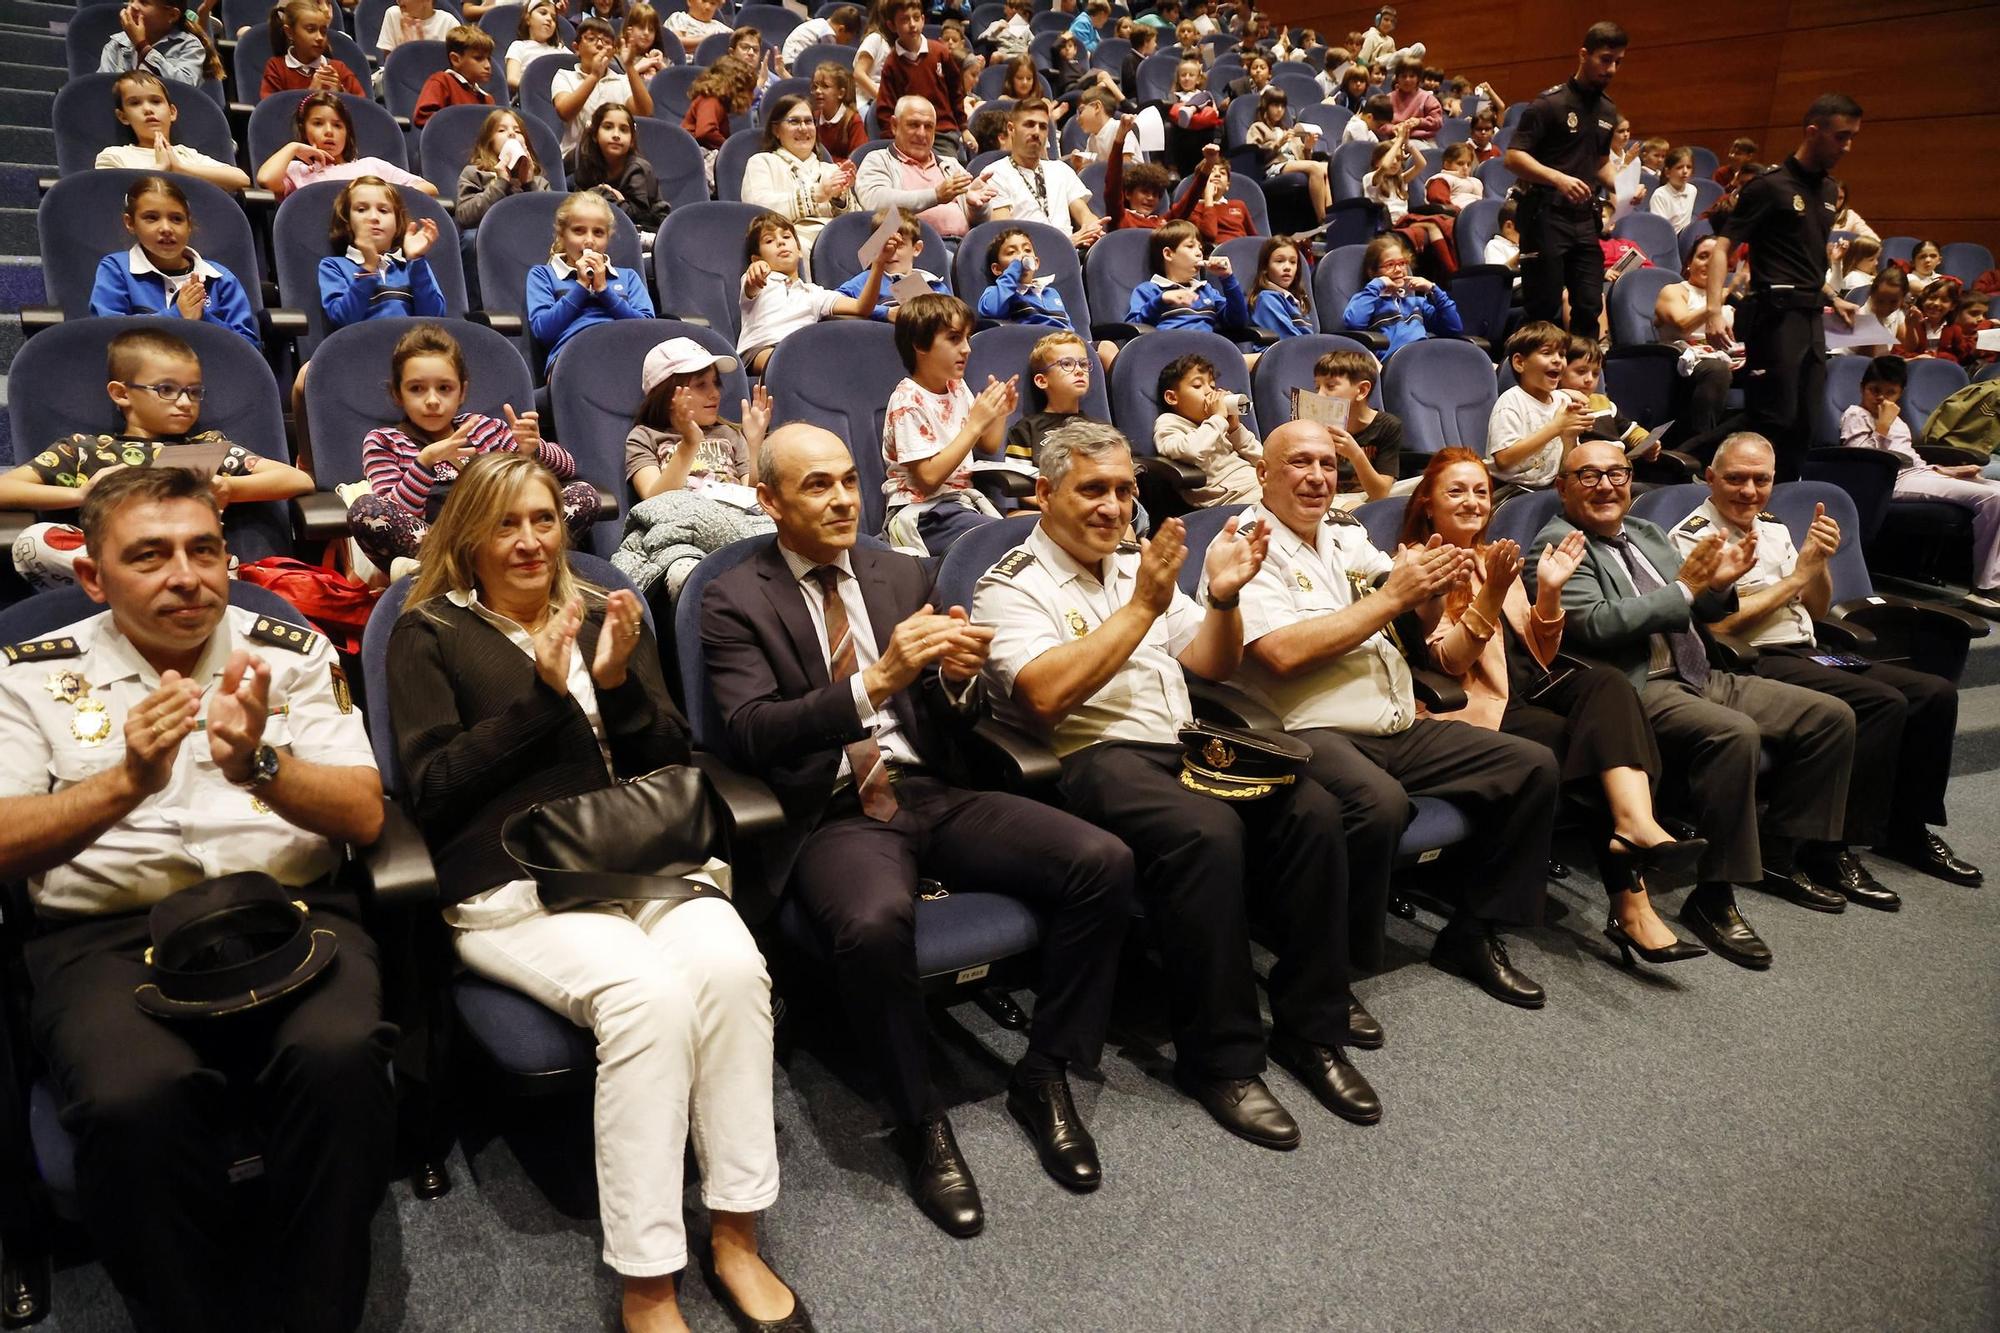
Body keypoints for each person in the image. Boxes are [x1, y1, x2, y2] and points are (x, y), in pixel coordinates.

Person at [389, 454, 801, 1333]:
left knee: (731, 969)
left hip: (640, 853)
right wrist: (540, 701)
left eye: (544, 518)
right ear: (468, 538)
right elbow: (429, 787)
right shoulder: (426, 631)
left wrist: (612, 684)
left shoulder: (606, 609)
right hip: (514, 882)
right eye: (506, 523)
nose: (532, 539)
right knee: (646, 998)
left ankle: (736, 1232)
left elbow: (669, 757)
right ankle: (648, 1279)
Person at [702, 422, 1135, 1235]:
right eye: (815, 486)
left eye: (847, 481)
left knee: (1101, 861)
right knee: (872, 923)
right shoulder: (732, 594)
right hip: (832, 808)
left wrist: (959, 684)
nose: (840, 499)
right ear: (769, 500)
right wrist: (876, 679)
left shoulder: (902, 571)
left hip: (930, 785)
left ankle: (1045, 1071)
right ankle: (919, 1118)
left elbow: (944, 710)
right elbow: (753, 731)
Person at [0, 465, 390, 1331]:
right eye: (151, 555)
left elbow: (364, 813)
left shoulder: (289, 653)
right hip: (107, 935)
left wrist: (260, 763)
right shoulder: (27, 673)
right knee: (135, 1097)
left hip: (288, 913)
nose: (187, 574)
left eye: (204, 549)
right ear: (94, 576)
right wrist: (126, 783)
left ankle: (322, 1307)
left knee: (342, 1055)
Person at [973, 421, 1376, 1149]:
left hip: (1180, 747)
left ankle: (1311, 1028)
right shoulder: (1011, 584)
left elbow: (1211, 663)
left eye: (1125, 489)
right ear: (1044, 493)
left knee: (1312, 809)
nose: (1114, 505)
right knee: (1205, 830)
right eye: (1092, 489)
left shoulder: (1136, 567)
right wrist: (1143, 608)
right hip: (1084, 759)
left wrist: (1221, 598)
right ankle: (1220, 1060)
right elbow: (1042, 696)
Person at [1229, 421, 1559, 1000]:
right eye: (1299, 463)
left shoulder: (1345, 533)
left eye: (1329, 465)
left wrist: (1430, 587)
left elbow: (1411, 612)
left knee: (1531, 766)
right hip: (1310, 726)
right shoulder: (1246, 544)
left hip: (1394, 718)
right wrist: (1391, 597)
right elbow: (1280, 654)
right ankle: (1326, 971)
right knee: (1379, 806)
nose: (1318, 477)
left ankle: (1473, 932)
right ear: (1263, 473)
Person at [1530, 440, 1859, 967]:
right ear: (1561, 487)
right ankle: (1714, 896)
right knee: (1733, 734)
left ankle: (1784, 854)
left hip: (1700, 670)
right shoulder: (1553, 545)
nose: (1606, 486)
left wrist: (1718, 587)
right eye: (1588, 477)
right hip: (1640, 688)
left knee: (1829, 717)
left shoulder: (1646, 532)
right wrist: (1686, 590)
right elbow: (1596, 625)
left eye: (1616, 474)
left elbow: (1698, 604)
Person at [1403, 449, 1709, 965]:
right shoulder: (1417, 563)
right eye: (1456, 491)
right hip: (1478, 703)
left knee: (1611, 687)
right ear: (1427, 504)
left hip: (1528, 685)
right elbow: (1449, 664)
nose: (1472, 501)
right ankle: (1629, 901)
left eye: (1480, 491)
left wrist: (1546, 594)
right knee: (1591, 755)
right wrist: (1491, 593)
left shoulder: (1489, 554)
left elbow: (1540, 649)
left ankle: (1635, 823)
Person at [1668, 432, 1981, 897]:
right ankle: (1828, 847)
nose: (1748, 491)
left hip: (1808, 647)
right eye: (1735, 479)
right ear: (1710, 478)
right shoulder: (1694, 538)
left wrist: (1819, 563)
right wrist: (1794, 578)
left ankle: (1906, 827)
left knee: (1934, 693)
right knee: (1881, 703)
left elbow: (1815, 609)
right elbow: (1720, 627)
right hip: (1754, 661)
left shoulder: (1772, 526)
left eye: (1761, 480)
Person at [0, 329, 313, 587]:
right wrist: (81, 494)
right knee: (33, 542)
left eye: (194, 392)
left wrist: (229, 489)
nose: (184, 402)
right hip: (113, 558)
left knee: (210, 556)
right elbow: (6, 488)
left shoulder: (206, 447)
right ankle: (138, 579)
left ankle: (161, 579)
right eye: (167, 389)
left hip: (191, 559)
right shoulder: (85, 450)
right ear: (121, 393)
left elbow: (297, 479)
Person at [347, 323, 596, 571]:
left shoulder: (485, 429)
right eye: (416, 389)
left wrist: (533, 449)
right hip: (436, 543)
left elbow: (568, 468)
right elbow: (393, 512)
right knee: (366, 511)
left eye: (444, 388)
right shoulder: (384, 441)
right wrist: (424, 463)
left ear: (461, 391)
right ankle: (467, 569)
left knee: (584, 495)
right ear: (398, 394)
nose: (432, 401)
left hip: (504, 535)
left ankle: (458, 569)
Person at [1707, 93, 1863, 480]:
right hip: (1774, 317)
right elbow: (1723, 246)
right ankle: (1710, 473)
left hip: (1812, 317)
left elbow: (1804, 257)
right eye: (1841, 137)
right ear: (1813, 132)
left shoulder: (1829, 192)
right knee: (1773, 418)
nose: (1848, 146)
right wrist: (1713, 309)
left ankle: (1783, 512)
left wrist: (1832, 297)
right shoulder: (1769, 186)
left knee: (1805, 422)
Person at [1840, 355, 2000, 606]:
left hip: (1917, 475)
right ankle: (1986, 588)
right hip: (1889, 482)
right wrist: (1882, 427)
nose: (1881, 398)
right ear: (1862, 388)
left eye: (1890, 392)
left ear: (1900, 393)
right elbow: (1864, 460)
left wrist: (1947, 472)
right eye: (1875, 390)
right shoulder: (1855, 414)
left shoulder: (1899, 423)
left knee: (1997, 488)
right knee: (1993, 497)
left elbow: (1912, 459)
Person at [1504, 21, 1627, 335]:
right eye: (1605, 59)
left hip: (1584, 220)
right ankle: (1526, 376)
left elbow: (1599, 163)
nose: (1611, 69)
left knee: (1588, 304)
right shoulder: (1550, 103)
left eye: (1618, 62)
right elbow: (1513, 157)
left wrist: (1623, 186)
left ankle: (1580, 380)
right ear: (1584, 55)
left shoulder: (1608, 110)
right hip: (1545, 214)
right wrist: (1557, 178)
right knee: (1543, 307)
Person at [880, 294, 1014, 552]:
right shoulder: (907, 400)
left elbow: (988, 444)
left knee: (1020, 540)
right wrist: (975, 424)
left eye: (966, 338)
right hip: (921, 514)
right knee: (1000, 543)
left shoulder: (956, 386)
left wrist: (999, 414)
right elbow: (927, 480)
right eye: (954, 339)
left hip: (959, 506)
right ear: (920, 344)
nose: (966, 348)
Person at [89, 175, 257, 347]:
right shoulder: (116, 269)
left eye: (176, 219)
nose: (166, 229)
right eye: (151, 218)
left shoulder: (220, 278)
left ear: (189, 225)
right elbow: (108, 336)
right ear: (130, 223)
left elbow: (249, 348)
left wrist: (203, 318)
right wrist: (177, 314)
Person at [736, 210, 897, 372]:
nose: (780, 242)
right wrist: (756, 269)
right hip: (760, 350)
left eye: (786, 237)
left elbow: (862, 308)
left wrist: (878, 264)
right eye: (769, 240)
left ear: (799, 251)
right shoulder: (758, 280)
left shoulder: (814, 293)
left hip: (801, 349)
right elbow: (752, 285)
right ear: (757, 259)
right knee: (785, 363)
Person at [526, 190, 654, 374]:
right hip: (571, 362)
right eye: (578, 231)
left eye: (598, 233)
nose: (589, 241)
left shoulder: (628, 277)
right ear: (562, 234)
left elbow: (647, 330)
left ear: (607, 238)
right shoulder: (543, 275)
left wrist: (604, 291)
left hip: (626, 358)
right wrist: (581, 287)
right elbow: (543, 331)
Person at [624, 337, 771, 499]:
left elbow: (752, 497)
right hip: (678, 519)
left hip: (733, 518)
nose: (715, 393)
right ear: (668, 395)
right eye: (701, 385)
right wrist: (690, 443)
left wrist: (754, 445)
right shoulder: (644, 437)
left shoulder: (729, 434)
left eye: (715, 383)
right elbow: (652, 501)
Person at [855, 95, 996, 245]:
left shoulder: (950, 165)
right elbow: (876, 202)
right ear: (894, 126)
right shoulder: (878, 159)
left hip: (961, 248)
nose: (922, 133)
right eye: (913, 125)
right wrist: (935, 196)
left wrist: (975, 207)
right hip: (908, 249)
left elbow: (980, 222)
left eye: (928, 127)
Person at [741, 93, 858, 273]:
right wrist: (815, 195)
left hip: (841, 240)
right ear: (776, 130)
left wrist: (839, 200)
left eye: (809, 121)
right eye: (794, 122)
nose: (804, 128)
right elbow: (757, 209)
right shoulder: (762, 162)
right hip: (796, 242)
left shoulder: (831, 170)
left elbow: (856, 221)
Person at [1653, 234, 1746, 457]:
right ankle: (1698, 454)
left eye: (1716, 259)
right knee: (1716, 370)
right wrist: (1719, 298)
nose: (1709, 264)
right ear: (1689, 263)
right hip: (1682, 362)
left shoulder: (1731, 297)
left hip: (1725, 358)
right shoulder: (1674, 291)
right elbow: (1683, 324)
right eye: (1703, 257)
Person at [318, 176, 448, 330]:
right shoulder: (333, 266)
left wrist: (416, 260)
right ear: (347, 223)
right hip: (364, 349)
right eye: (361, 209)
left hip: (413, 350)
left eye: (383, 210)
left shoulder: (414, 265)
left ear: (397, 224)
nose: (373, 217)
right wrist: (368, 268)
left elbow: (434, 320)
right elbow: (343, 320)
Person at [255, 92, 437, 197]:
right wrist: (293, 147)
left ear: (347, 133)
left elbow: (429, 189)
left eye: (337, 125)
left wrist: (377, 196)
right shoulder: (298, 171)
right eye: (318, 123)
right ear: (304, 130)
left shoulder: (371, 166)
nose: (329, 131)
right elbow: (266, 179)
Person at [94, 71, 251, 192]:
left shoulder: (186, 155)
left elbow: (241, 178)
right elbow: (110, 194)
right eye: (135, 103)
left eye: (156, 101)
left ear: (172, 112)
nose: (148, 109)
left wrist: (180, 168)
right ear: (123, 116)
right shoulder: (113, 156)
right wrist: (160, 168)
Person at [1487, 319, 1594, 490]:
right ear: (1520, 363)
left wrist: (1569, 438)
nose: (1558, 360)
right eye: (1547, 353)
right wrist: (1556, 427)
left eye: (1562, 354)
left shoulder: (1563, 402)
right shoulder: (1511, 401)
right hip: (1510, 488)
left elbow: (1566, 465)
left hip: (1549, 485)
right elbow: (1503, 460)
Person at [985, 99, 1105, 250]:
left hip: (1072, 255)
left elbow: (1084, 214)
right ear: (1011, 129)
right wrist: (1066, 243)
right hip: (1028, 260)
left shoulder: (1061, 169)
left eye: (1042, 127)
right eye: (1029, 124)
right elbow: (1004, 237)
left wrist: (1092, 227)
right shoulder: (995, 173)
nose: (1036, 132)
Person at [1152, 351, 1258, 506]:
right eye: (1197, 385)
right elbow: (1191, 451)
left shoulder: (1217, 425)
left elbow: (1265, 460)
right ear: (1172, 397)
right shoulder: (1169, 422)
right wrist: (1218, 418)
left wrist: (1235, 429)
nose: (1210, 391)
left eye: (1212, 386)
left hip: (1259, 484)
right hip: (1236, 498)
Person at [1342, 233, 1463, 361]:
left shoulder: (1417, 303)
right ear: (1372, 272)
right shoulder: (1367, 300)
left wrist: (1434, 289)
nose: (1399, 269)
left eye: (1402, 263)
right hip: (1396, 363)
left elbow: (1453, 328)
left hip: (1426, 357)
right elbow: (1354, 323)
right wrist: (1377, 285)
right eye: (1390, 265)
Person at [552, 16, 656, 155]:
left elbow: (645, 111)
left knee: (642, 168)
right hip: (577, 154)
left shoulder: (622, 80)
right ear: (577, 48)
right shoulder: (565, 76)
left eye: (606, 42)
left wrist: (630, 66)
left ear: (613, 51)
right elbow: (565, 112)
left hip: (616, 155)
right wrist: (594, 76)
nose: (600, 45)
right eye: (591, 39)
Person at [1127, 219, 1251, 334]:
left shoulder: (1207, 290)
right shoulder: (1149, 290)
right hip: (1168, 352)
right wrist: (1161, 300)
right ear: (1168, 254)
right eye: (1190, 246)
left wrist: (1227, 278)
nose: (1199, 253)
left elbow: (1238, 322)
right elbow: (1134, 329)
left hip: (1207, 352)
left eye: (1200, 248)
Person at [876, 0, 968, 155]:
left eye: (916, 18)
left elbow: (956, 94)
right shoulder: (892, 63)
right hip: (909, 136)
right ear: (892, 26)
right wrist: (894, 140)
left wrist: (964, 128)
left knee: (950, 174)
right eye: (905, 20)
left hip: (942, 133)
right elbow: (885, 110)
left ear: (923, 20)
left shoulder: (940, 52)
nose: (912, 24)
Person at [1311, 347, 1402, 504]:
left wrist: (1355, 454)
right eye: (1317, 387)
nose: (1319, 395)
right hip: (1329, 498)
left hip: (1370, 497)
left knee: (1425, 485)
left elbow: (1380, 494)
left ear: (1362, 390)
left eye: (1330, 386)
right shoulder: (1314, 424)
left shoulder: (1388, 425)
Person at [565, 103, 668, 233]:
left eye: (624, 130)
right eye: (608, 127)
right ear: (595, 135)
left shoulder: (638, 168)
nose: (616, 135)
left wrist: (605, 195)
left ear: (631, 140)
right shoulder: (584, 160)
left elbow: (638, 217)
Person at [454, 108, 552, 234]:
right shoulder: (475, 173)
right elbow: (464, 217)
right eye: (501, 130)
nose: (512, 134)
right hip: (488, 235)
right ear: (489, 142)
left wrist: (529, 185)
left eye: (518, 131)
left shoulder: (539, 182)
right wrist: (501, 183)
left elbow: (549, 220)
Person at [1246, 89, 1331, 223]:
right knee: (1316, 167)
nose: (1279, 110)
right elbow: (1254, 153)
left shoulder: (1289, 130)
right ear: (1266, 107)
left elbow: (1304, 161)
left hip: (1292, 164)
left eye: (1282, 106)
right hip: (1273, 167)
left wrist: (1308, 148)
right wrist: (1278, 143)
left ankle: (1330, 214)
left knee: (1326, 167)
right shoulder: (1258, 127)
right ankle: (1322, 219)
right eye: (1275, 105)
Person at [260, 0, 365, 98]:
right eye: (311, 30)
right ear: (290, 32)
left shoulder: (339, 68)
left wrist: (341, 92)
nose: (319, 37)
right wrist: (310, 93)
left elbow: (364, 109)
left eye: (323, 32)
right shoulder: (276, 68)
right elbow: (271, 113)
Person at [99, 0, 216, 87]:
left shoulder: (189, 46)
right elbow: (102, 89)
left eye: (143, 2)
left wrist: (142, 46)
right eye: (132, 0)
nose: (133, 6)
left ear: (172, 15)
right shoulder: (116, 44)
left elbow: (183, 89)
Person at [412, 24, 496, 129]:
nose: (487, 66)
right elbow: (423, 117)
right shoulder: (441, 82)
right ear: (455, 59)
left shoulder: (487, 99)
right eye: (478, 58)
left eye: (489, 59)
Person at [1250, 236, 1313, 339]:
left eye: (1293, 262)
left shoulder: (1297, 300)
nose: (1287, 267)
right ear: (1265, 267)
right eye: (1279, 261)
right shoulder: (1267, 298)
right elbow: (1290, 339)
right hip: (1283, 353)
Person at [811, 61, 868, 164]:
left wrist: (828, 162)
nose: (818, 91)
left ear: (841, 93)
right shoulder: (813, 117)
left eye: (825, 86)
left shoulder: (853, 121)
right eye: (815, 87)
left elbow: (858, 161)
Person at [505, 0, 567, 93]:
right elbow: (512, 79)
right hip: (531, 99)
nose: (549, 19)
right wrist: (539, 89)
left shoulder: (560, 48)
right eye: (543, 13)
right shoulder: (518, 46)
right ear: (528, 19)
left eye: (554, 18)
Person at [783, 2, 862, 67]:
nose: (846, 44)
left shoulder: (820, 22)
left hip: (790, 61)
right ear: (841, 29)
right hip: (793, 65)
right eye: (847, 40)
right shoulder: (828, 34)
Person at [1647, 145, 1697, 233]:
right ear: (1667, 172)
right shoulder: (1660, 195)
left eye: (1688, 167)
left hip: (1685, 238)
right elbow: (1660, 229)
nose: (1685, 171)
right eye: (1679, 167)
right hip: (1667, 239)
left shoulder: (1692, 190)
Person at [664, 0, 730, 55]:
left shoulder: (721, 27)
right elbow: (676, 43)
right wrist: (709, 40)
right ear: (690, 1)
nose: (708, 7)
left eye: (712, 3)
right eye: (704, 1)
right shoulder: (679, 18)